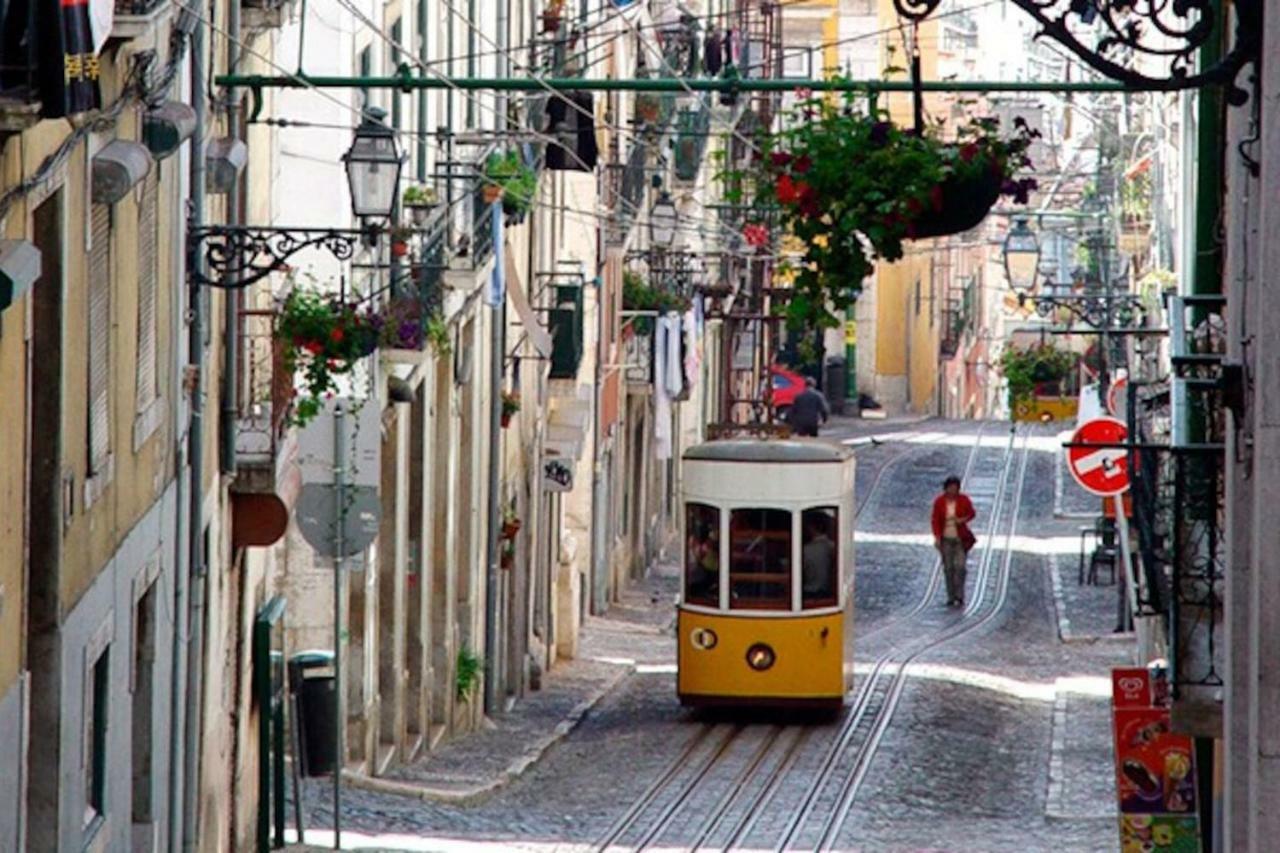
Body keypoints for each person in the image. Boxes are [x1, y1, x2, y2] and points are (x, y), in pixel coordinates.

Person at [931, 475, 976, 607]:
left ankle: (960, 595)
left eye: (955, 488)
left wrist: (962, 520)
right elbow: (935, 520)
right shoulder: (939, 502)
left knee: (960, 567)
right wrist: (937, 537)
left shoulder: (964, 500)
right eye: (950, 488)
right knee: (949, 568)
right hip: (945, 539)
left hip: (960, 539)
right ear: (946, 488)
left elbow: (972, 513)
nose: (953, 490)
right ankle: (951, 596)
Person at [802, 513, 836, 602]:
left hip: (808, 593)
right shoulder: (832, 547)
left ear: (811, 528)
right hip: (826, 593)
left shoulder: (805, 550)